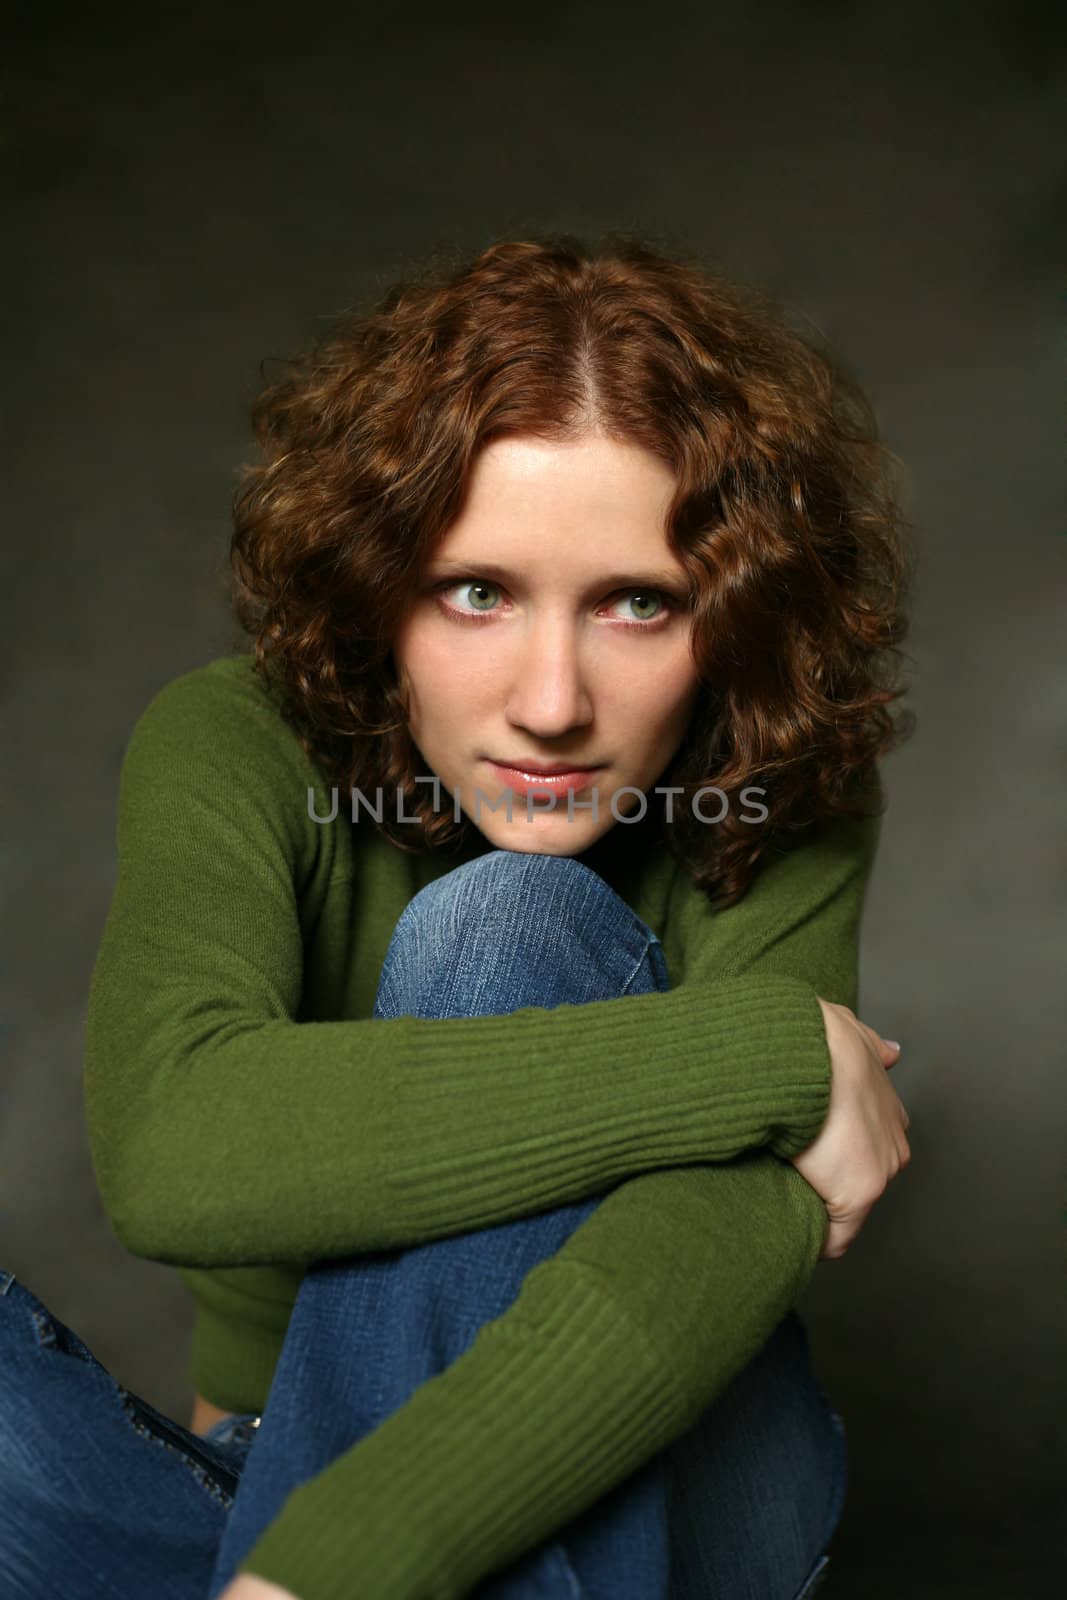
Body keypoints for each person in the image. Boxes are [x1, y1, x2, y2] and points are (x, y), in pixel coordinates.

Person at [0, 231, 914, 1600]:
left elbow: (714, 1241)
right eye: (476, 593)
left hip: (671, 1461)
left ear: (735, 616)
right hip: (256, 1475)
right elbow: (172, 1147)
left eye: (638, 605)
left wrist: (337, 1565)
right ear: (377, 587)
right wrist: (777, 1056)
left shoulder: (776, 781)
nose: (551, 700)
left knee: (507, 926)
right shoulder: (232, 743)